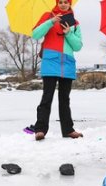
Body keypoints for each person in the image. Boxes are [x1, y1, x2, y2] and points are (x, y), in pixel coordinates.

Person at [31, 0, 84, 141]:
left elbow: (78, 46)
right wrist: (50, 22)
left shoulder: (75, 22)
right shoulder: (48, 16)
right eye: (60, 2)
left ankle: (68, 130)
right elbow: (35, 34)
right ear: (57, 3)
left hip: (67, 64)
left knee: (64, 99)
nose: (63, 4)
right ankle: (40, 129)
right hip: (50, 63)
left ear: (70, 3)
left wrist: (68, 33)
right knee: (47, 97)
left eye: (66, 2)